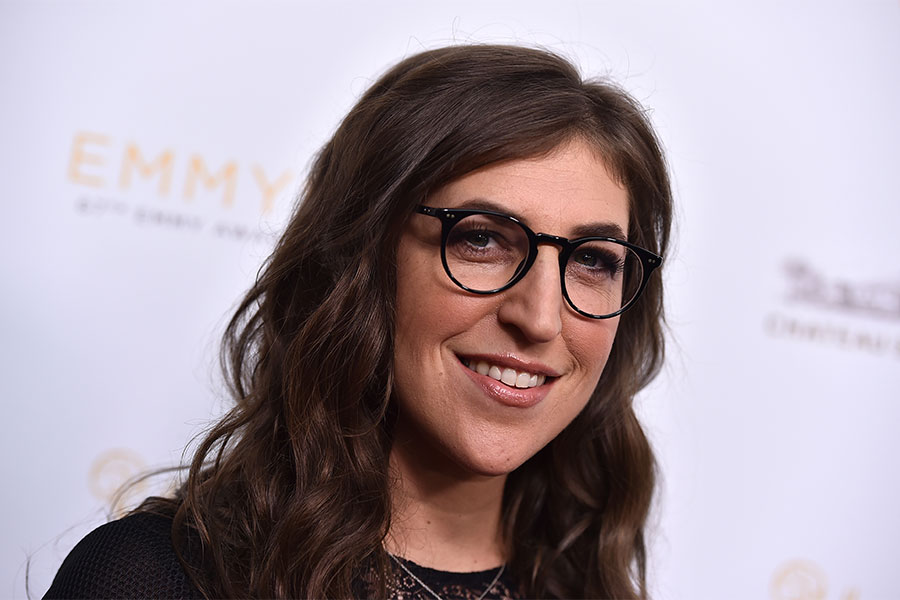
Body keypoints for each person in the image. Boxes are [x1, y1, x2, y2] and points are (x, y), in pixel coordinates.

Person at [45, 43, 672, 599]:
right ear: (362, 259)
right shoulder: (155, 577)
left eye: (593, 260)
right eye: (481, 240)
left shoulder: (592, 584)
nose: (539, 317)